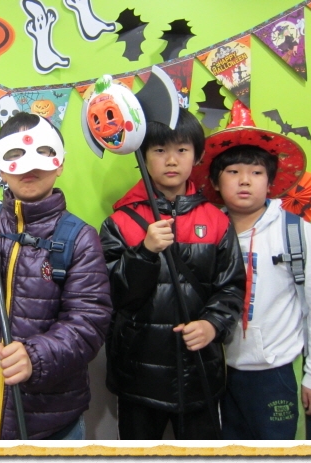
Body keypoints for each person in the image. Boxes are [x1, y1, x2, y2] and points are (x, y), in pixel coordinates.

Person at [0, 113, 112, 440]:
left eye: (43, 152)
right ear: (0, 168)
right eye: (14, 154)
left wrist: (36, 356)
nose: (29, 165)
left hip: (52, 418)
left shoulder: (80, 238)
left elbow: (89, 322)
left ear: (60, 163)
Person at [193, 100, 311, 440]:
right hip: (219, 371)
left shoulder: (295, 231)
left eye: (257, 172)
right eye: (233, 172)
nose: (245, 180)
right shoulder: (209, 231)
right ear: (215, 182)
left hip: (277, 372)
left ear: (271, 181)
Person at [99, 108, 246, 440]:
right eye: (159, 150)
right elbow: (114, 295)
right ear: (142, 156)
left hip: (200, 372)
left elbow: (232, 286)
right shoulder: (120, 222)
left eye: (181, 149)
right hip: (138, 374)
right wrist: (145, 251)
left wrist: (213, 324)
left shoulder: (217, 220)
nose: (171, 160)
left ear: (197, 156)